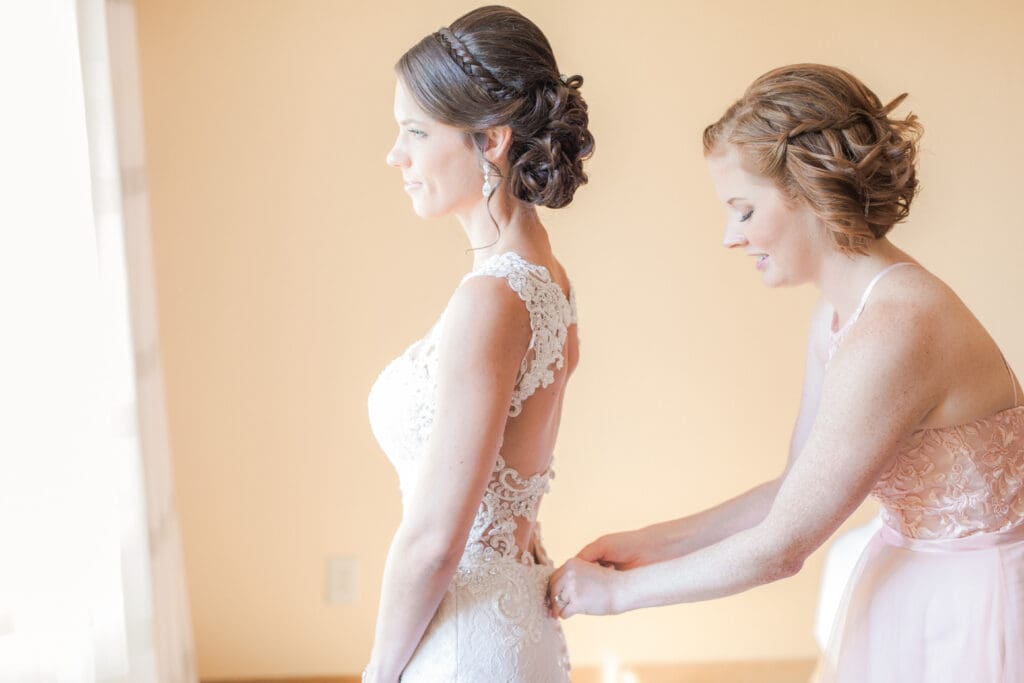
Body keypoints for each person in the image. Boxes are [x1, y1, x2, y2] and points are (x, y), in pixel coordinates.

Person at [547, 64, 1023, 682]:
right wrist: (654, 543)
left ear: (810, 193)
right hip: (912, 587)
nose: (729, 237)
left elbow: (782, 548)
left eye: (742, 210)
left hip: (973, 608)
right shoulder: (840, 315)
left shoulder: (897, 328)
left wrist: (614, 597)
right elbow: (794, 487)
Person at [364, 6, 593, 682]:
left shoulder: (490, 299)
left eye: (414, 131)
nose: (394, 155)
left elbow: (436, 541)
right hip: (512, 620)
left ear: (490, 140)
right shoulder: (549, 278)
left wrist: (379, 670)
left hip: (466, 640)